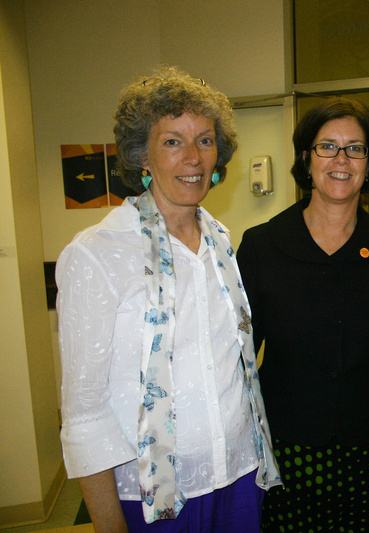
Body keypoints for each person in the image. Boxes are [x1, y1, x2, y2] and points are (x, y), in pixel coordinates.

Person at [57, 66, 280, 533]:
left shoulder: (219, 241)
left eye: (204, 140)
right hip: (155, 496)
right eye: (173, 141)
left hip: (239, 475)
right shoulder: (97, 253)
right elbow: (84, 414)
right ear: (143, 155)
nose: (194, 158)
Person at [236, 97, 369, 531]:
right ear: (306, 158)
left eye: (355, 148)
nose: (341, 159)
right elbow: (240, 357)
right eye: (327, 147)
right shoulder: (263, 246)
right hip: (288, 448)